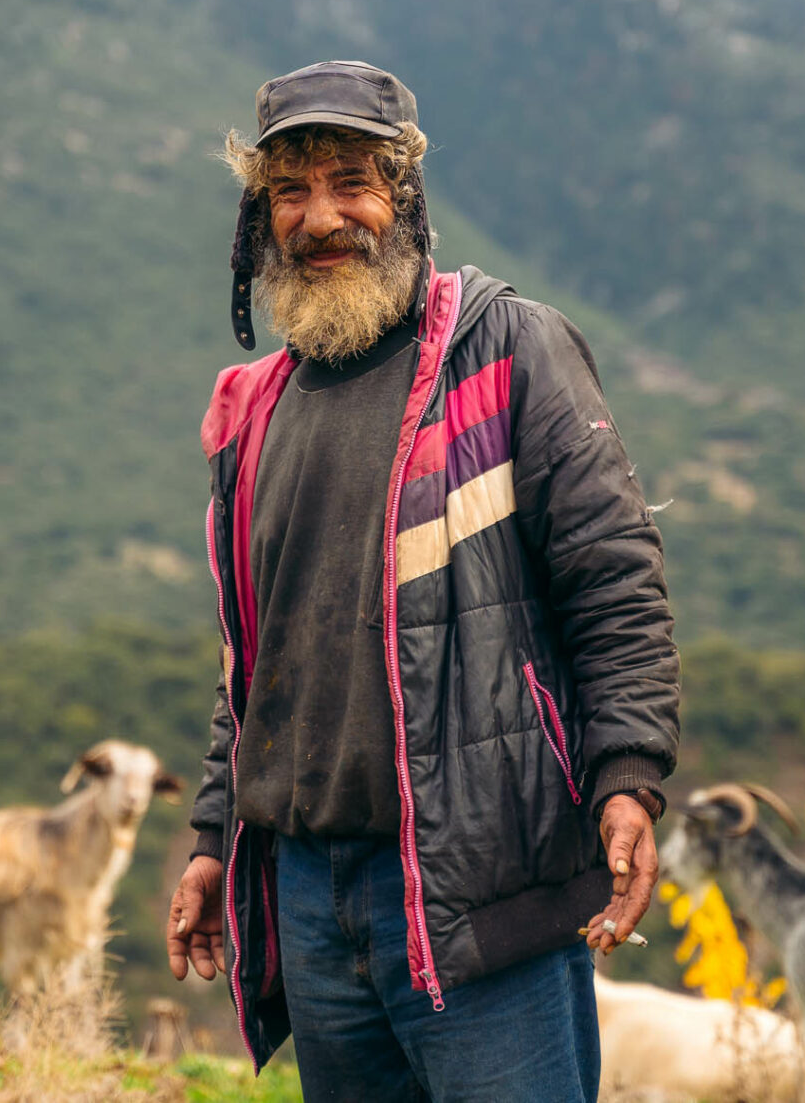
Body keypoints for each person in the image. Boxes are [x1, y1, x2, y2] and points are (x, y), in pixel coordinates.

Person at [164, 60, 680, 1102]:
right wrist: (217, 835)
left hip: (471, 879)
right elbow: (251, 669)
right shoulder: (253, 411)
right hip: (309, 897)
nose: (320, 218)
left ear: (402, 193)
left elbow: (611, 580)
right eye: (289, 192)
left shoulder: (508, 352)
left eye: (350, 181)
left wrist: (627, 770)